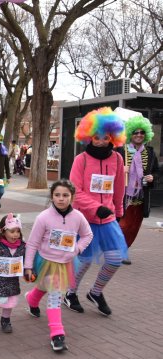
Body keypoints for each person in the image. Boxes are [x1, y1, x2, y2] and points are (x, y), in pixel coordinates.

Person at [64, 107, 127, 316]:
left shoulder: (117, 159)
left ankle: (96, 292)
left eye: (105, 137)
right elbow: (75, 190)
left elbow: (119, 188)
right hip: (85, 218)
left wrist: (118, 211)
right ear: (89, 136)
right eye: (96, 137)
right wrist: (94, 207)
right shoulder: (81, 159)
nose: (100, 141)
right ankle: (70, 293)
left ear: (113, 137)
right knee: (84, 260)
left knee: (115, 258)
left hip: (107, 218)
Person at [24, 179, 93, 351]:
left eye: (65, 195)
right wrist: (28, 266)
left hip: (66, 263)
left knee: (48, 287)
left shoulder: (78, 217)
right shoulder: (43, 217)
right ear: (52, 196)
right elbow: (32, 243)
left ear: (72, 197)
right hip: (46, 261)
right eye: (57, 195)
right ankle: (57, 334)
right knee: (55, 294)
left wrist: (78, 248)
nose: (61, 199)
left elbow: (88, 235)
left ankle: (31, 299)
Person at [116, 115, 159, 264]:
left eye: (142, 132)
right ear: (130, 134)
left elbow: (156, 171)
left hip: (141, 196)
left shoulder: (150, 152)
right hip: (124, 196)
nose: (139, 135)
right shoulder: (120, 152)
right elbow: (109, 171)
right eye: (135, 132)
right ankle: (119, 252)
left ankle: (123, 250)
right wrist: (121, 169)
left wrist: (152, 177)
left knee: (134, 227)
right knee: (123, 225)